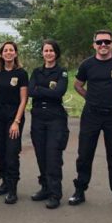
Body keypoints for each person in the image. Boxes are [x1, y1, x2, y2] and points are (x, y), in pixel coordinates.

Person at [69, 30, 112, 210]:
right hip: (91, 115)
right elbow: (77, 84)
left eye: (107, 42)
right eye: (99, 42)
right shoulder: (87, 64)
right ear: (94, 45)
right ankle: (79, 191)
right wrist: (89, 97)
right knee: (84, 155)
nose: (103, 45)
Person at [0, 41, 28, 204]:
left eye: (11, 50)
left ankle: (12, 188)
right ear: (1, 54)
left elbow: (24, 99)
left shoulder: (21, 73)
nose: (8, 52)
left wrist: (16, 121)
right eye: (5, 50)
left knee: (12, 152)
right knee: (0, 150)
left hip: (14, 116)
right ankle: (4, 181)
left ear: (15, 54)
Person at [28, 39, 69, 209]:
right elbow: (30, 91)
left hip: (55, 118)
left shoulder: (62, 72)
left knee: (53, 156)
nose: (49, 53)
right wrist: (46, 91)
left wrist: (40, 90)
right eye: (46, 50)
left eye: (51, 50)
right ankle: (44, 188)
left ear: (56, 53)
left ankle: (55, 193)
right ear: (42, 53)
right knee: (40, 154)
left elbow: (59, 92)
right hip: (38, 117)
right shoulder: (36, 71)